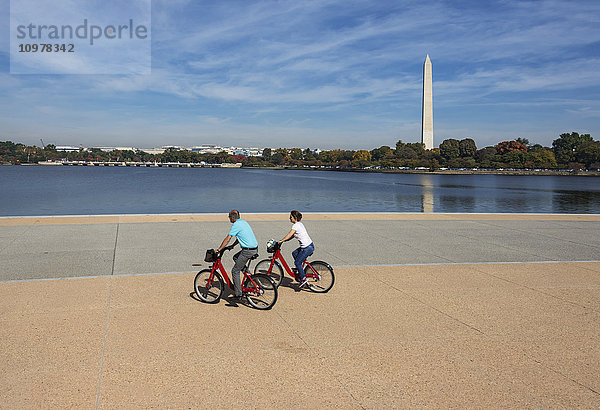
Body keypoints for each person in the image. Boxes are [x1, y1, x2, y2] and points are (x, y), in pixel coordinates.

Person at [216, 210, 258, 300]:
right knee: (235, 257)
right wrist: (233, 246)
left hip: (247, 251)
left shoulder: (235, 225)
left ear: (232, 217)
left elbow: (228, 238)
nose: (229, 219)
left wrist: (219, 249)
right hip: (254, 248)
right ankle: (249, 276)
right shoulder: (243, 222)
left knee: (235, 271)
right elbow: (240, 236)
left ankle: (238, 294)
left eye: (229, 217)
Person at [278, 210, 313, 288]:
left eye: (291, 217)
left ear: (295, 218)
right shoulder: (300, 224)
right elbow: (292, 236)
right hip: (309, 246)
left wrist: (281, 240)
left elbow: (289, 234)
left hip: (306, 248)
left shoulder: (295, 226)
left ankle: (303, 279)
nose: (289, 218)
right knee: (294, 253)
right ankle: (299, 270)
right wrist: (285, 240)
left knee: (297, 263)